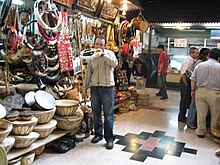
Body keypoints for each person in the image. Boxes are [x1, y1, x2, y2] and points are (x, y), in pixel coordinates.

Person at [84, 35, 118, 149]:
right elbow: (88, 73)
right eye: (97, 44)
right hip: (95, 88)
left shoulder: (110, 54)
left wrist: (104, 55)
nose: (99, 47)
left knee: (108, 114)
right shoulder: (92, 57)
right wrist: (85, 88)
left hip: (107, 88)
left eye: (101, 45)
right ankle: (98, 134)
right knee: (96, 112)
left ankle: (109, 138)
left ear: (105, 46)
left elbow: (115, 64)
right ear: (94, 44)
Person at [190, 48, 220, 139]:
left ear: (209, 55)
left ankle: (200, 131)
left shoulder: (200, 65)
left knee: (201, 113)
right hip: (215, 93)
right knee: (215, 114)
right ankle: (214, 132)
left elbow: (193, 78)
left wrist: (192, 90)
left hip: (201, 91)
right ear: (218, 57)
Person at [186, 48, 210, 129]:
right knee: (194, 105)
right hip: (197, 87)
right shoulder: (201, 63)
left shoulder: (198, 62)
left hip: (196, 86)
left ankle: (192, 122)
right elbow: (192, 75)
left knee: (195, 105)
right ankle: (191, 122)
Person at [178, 47, 199, 123]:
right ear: (191, 53)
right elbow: (183, 74)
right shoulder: (187, 61)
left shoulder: (193, 61)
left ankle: (183, 115)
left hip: (188, 81)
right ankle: (181, 116)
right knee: (184, 99)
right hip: (185, 82)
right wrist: (186, 84)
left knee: (187, 99)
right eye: (196, 53)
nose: (197, 55)